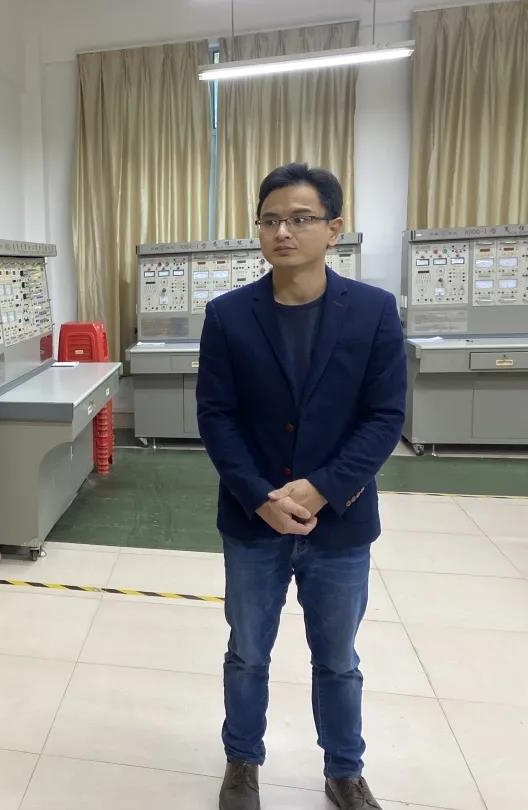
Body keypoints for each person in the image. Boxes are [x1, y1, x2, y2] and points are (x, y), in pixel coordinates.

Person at [197, 163, 406, 810]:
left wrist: (323, 488)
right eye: (270, 220)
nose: (282, 232)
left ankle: (344, 770)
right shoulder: (228, 316)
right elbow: (217, 417)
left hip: (339, 523)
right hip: (252, 519)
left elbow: (385, 417)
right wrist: (261, 495)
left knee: (338, 658)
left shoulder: (372, 311)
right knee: (247, 652)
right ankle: (242, 762)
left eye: (299, 218)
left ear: (333, 228)